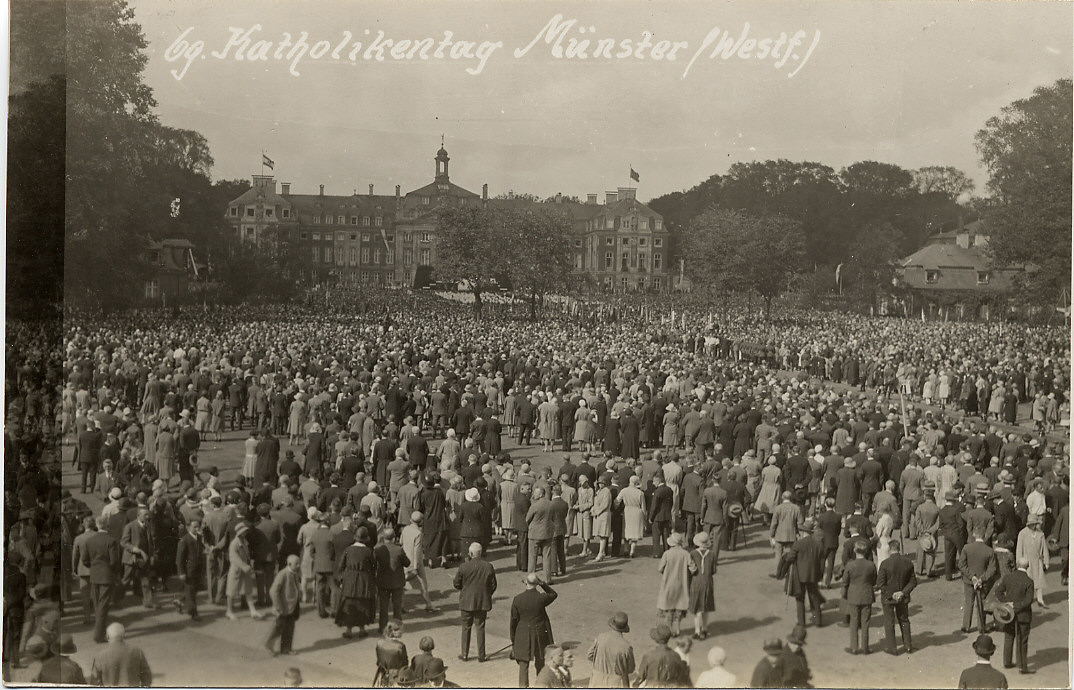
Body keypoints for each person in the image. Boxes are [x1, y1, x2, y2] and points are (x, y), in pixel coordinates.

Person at [510, 573, 558, 687]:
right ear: (536, 584)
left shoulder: (517, 599)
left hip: (522, 634)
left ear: (526, 583)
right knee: (540, 661)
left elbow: (513, 622)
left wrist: (513, 639)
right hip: (539, 634)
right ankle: (540, 685)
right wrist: (542, 584)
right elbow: (553, 594)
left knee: (523, 664)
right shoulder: (541, 598)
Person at [453, 542, 497, 662]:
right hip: (482, 602)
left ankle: (464, 654)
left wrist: (464, 589)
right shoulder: (488, 566)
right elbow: (493, 585)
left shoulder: (463, 567)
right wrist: (486, 594)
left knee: (466, 628)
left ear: (471, 553)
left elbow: (456, 583)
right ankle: (481, 655)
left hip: (466, 602)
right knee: (480, 627)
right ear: (481, 553)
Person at [83, 515, 122, 643]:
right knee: (103, 605)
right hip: (106, 575)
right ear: (107, 525)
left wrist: (94, 566)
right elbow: (114, 561)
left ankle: (100, 631)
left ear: (97, 525)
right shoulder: (111, 540)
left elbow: (85, 560)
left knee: (97, 604)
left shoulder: (89, 541)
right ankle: (99, 634)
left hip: (94, 575)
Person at [993, 556, 1034, 674]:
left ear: (1017, 564)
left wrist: (1007, 603)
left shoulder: (1008, 577)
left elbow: (998, 592)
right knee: (1022, 639)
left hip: (1008, 614)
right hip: (1023, 615)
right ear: (1028, 566)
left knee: (1009, 636)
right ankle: (1022, 666)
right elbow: (1028, 600)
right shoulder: (1029, 581)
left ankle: (1007, 661)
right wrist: (1016, 606)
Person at [334, 527, 378, 639]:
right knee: (363, 604)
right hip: (364, 580)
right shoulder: (368, 551)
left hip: (350, 579)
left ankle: (348, 630)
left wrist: (341, 579)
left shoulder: (348, 550)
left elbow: (341, 566)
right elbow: (374, 567)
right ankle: (362, 629)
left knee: (349, 603)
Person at [876, 540, 917, 655]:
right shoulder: (908, 563)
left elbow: (880, 583)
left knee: (889, 621)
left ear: (890, 549)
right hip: (902, 598)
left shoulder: (885, 563)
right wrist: (902, 592)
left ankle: (892, 648)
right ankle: (908, 645)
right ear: (899, 548)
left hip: (888, 599)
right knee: (904, 620)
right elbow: (913, 582)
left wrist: (891, 594)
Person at [782, 519, 825, 629]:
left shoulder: (798, 544)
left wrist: (786, 558)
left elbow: (790, 558)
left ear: (803, 531)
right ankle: (818, 620)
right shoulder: (818, 544)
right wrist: (820, 575)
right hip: (813, 575)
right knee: (814, 597)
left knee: (800, 599)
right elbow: (821, 562)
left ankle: (802, 622)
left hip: (799, 576)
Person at [958, 529, 998, 634]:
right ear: (984, 536)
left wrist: (972, 577)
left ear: (974, 536)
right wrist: (982, 578)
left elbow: (961, 565)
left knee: (968, 603)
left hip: (968, 581)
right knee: (981, 603)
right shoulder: (989, 550)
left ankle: (966, 626)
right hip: (982, 582)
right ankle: (981, 627)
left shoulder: (967, 548)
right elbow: (992, 569)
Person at [89, 623, 153, 687]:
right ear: (123, 636)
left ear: (107, 636)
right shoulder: (137, 652)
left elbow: (94, 683)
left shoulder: (100, 656)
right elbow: (147, 678)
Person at [373, 527, 410, 633]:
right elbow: (407, 563)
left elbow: (374, 564)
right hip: (397, 582)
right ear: (394, 537)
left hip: (383, 582)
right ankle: (397, 627)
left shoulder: (378, 550)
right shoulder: (398, 549)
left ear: (383, 537)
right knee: (397, 606)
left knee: (383, 606)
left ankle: (383, 627)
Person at [843, 540, 877, 655]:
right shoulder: (871, 565)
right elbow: (874, 580)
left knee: (854, 621)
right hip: (867, 595)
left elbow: (845, 581)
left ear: (854, 550)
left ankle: (854, 647)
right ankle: (865, 647)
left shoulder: (850, 565)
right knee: (865, 622)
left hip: (853, 595)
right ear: (866, 551)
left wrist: (844, 594)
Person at [265, 554, 302, 656]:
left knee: (289, 628)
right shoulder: (283, 574)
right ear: (289, 564)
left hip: (292, 607)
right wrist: (278, 606)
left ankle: (286, 649)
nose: (299, 565)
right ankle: (269, 646)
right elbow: (273, 591)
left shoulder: (295, 573)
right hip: (283, 607)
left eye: (299, 563)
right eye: (296, 563)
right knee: (278, 628)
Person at [586, 611, 635, 688]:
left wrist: (600, 663)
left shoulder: (601, 637)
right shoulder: (626, 646)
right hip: (617, 682)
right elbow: (631, 668)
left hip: (597, 679)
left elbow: (589, 655)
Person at [634, 624, 691, 688]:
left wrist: (635, 685)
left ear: (656, 639)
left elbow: (641, 676)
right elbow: (681, 676)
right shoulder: (676, 656)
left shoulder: (648, 656)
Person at [656, 532, 691, 636]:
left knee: (668, 606)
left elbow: (660, 568)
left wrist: (666, 573)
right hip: (682, 584)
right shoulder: (686, 554)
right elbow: (692, 568)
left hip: (669, 583)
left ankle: (669, 628)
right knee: (679, 607)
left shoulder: (667, 554)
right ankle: (678, 629)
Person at [687, 531, 717, 640]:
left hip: (696, 581)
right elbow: (714, 570)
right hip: (708, 581)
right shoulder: (712, 554)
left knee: (697, 609)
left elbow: (690, 569)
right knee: (706, 607)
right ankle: (704, 628)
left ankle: (697, 631)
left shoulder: (693, 553)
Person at [174, 516, 205, 620]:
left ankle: (180, 601)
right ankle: (193, 613)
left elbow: (200, 549)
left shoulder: (199, 538)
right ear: (188, 528)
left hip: (198, 569)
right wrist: (181, 572)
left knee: (194, 589)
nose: (197, 529)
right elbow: (179, 558)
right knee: (191, 591)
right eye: (194, 527)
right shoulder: (184, 540)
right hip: (188, 570)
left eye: (198, 527)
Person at [1015, 515, 1047, 607]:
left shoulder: (1040, 533)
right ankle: (1027, 598)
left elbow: (1044, 547)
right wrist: (1019, 561)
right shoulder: (1022, 533)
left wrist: (1046, 560)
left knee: (1039, 580)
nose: (1034, 526)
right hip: (1026, 561)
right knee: (1028, 580)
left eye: (1035, 524)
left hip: (1037, 561)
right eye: (1032, 524)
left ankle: (1040, 599)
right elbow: (1019, 548)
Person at [373, 620, 409, 686]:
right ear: (394, 631)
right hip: (396, 675)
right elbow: (405, 664)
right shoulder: (400, 646)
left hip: (382, 673)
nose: (403, 632)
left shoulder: (379, 643)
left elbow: (379, 660)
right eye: (401, 630)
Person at [779, 625, 812, 689]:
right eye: (794, 643)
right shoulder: (782, 655)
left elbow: (804, 667)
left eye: (799, 644)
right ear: (790, 641)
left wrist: (807, 673)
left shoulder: (801, 652)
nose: (797, 646)